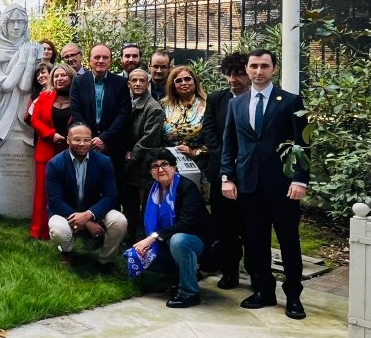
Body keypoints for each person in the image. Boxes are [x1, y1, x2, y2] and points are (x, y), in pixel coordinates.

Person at [220, 49, 309, 319]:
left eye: (264, 66)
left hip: (282, 185)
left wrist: (300, 179)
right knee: (256, 241)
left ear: (274, 69)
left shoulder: (290, 101)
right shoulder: (236, 104)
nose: (259, 71)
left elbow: (303, 144)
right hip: (248, 185)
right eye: (254, 66)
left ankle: (293, 296)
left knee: (288, 241)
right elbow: (229, 144)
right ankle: (264, 290)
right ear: (247, 69)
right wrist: (227, 177)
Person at [130, 151, 215, 308]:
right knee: (136, 253)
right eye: (155, 166)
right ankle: (179, 276)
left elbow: (186, 224)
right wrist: (141, 242)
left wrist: (153, 237)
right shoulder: (151, 189)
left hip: (197, 240)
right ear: (150, 172)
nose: (160, 169)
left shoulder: (187, 187)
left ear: (174, 167)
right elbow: (143, 220)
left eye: (165, 164)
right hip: (165, 239)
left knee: (178, 240)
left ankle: (189, 293)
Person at [201, 52, 252, 290]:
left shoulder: (257, 100)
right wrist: (226, 159)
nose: (232, 79)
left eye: (238, 73)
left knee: (251, 226)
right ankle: (229, 271)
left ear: (249, 74)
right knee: (224, 226)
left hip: (250, 174)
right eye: (228, 74)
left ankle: (255, 272)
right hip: (221, 172)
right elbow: (209, 131)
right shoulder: (217, 99)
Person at [46, 123, 128, 269]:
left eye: (87, 140)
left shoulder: (104, 162)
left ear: (92, 140)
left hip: (94, 209)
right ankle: (67, 252)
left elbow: (111, 195)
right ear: (68, 140)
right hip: (65, 211)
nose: (82, 144)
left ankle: (105, 260)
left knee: (119, 220)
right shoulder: (55, 164)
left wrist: (89, 215)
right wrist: (86, 222)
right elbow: (55, 201)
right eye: (77, 139)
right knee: (58, 229)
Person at [27, 64, 75, 240]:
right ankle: (39, 230)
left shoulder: (77, 98)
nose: (59, 78)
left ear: (71, 78)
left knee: (67, 191)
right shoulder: (44, 96)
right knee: (42, 192)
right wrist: (50, 134)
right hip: (46, 149)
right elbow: (35, 120)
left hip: (70, 151)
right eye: (56, 76)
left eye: (63, 75)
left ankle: (67, 228)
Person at [0, 4, 36, 162]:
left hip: (23, 113)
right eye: (12, 21)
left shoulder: (32, 48)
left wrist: (30, 60)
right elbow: (6, 85)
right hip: (1, 110)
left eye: (21, 22)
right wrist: (22, 60)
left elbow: (25, 86)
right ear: (4, 24)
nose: (16, 26)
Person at [69, 44, 132, 163]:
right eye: (97, 57)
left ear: (110, 61)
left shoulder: (121, 83)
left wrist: (103, 138)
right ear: (89, 60)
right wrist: (90, 138)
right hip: (85, 145)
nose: (101, 61)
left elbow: (124, 114)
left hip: (113, 144)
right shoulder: (78, 82)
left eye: (105, 57)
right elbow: (76, 112)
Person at [124, 67, 165, 240]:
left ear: (148, 84)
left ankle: (143, 240)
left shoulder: (153, 108)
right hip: (128, 163)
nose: (138, 83)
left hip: (142, 164)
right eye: (134, 80)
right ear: (129, 84)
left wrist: (132, 155)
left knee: (145, 205)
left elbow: (150, 139)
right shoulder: (127, 102)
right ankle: (130, 237)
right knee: (129, 203)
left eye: (142, 80)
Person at [162, 65, 208, 171]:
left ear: (194, 81)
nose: (184, 83)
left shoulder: (208, 104)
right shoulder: (163, 105)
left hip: (200, 163)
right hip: (168, 162)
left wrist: (195, 153)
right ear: (173, 85)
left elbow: (214, 136)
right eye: (178, 81)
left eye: (187, 79)